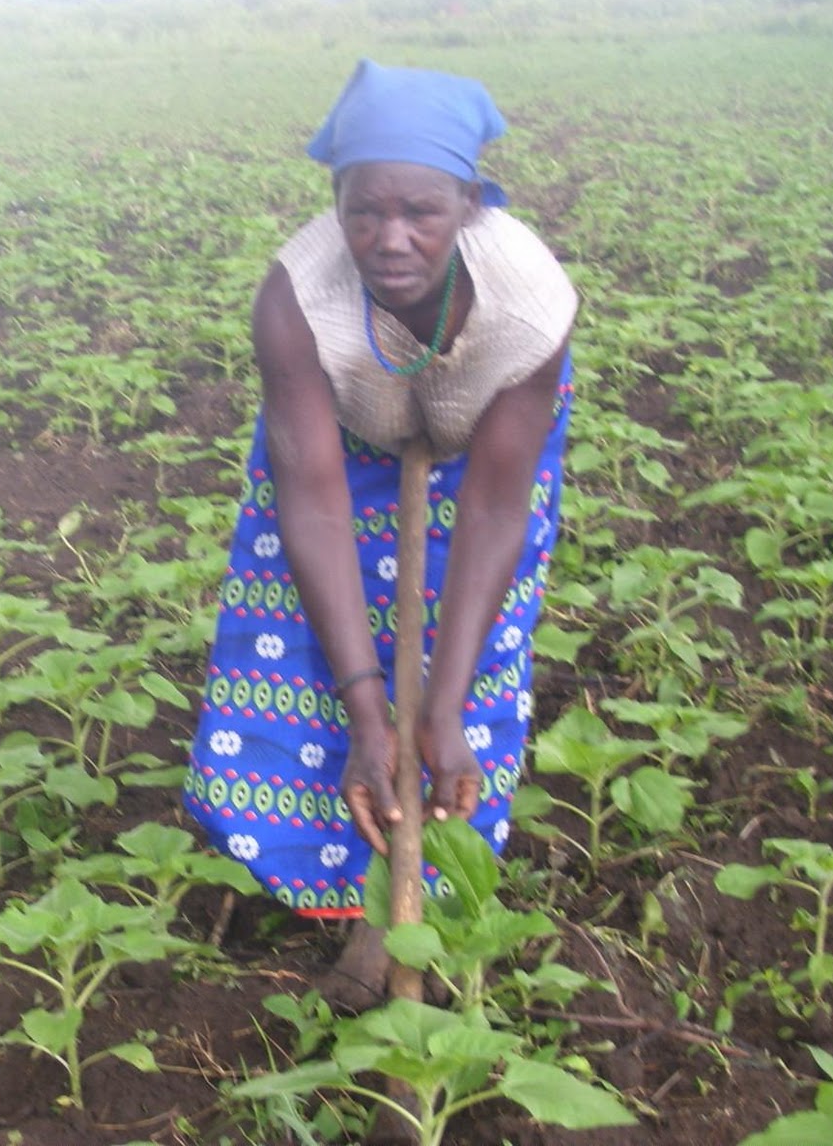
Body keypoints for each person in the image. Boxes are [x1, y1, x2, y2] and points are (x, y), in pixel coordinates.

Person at [183, 59, 576, 1007]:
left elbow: (490, 508)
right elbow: (311, 497)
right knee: (308, 649)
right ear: (336, 201)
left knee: (465, 669)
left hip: (481, 440)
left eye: (422, 213)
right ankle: (330, 888)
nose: (389, 239)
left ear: (470, 204)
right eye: (365, 212)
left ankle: (410, 910)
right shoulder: (298, 297)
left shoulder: (529, 306)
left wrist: (435, 709)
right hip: (341, 434)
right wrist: (371, 708)